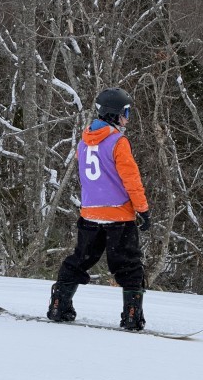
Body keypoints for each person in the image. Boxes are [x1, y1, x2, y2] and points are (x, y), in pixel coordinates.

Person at [47, 87, 150, 330]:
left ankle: (59, 305)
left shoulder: (84, 142)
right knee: (128, 264)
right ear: (115, 114)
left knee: (80, 259)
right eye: (126, 113)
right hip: (118, 216)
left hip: (91, 214)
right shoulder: (118, 142)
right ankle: (132, 315)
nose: (127, 118)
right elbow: (131, 180)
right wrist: (142, 209)